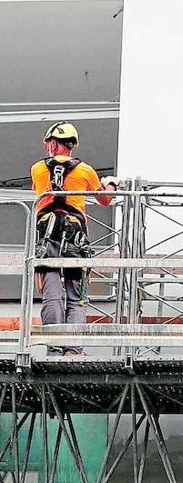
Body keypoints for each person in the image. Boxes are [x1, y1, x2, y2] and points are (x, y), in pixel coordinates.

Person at [30, 122, 117, 356]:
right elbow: (105, 199)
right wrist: (110, 183)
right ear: (71, 145)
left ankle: (54, 347)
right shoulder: (85, 171)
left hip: (47, 237)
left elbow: (37, 191)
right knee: (75, 296)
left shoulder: (37, 169)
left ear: (54, 143)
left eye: (49, 143)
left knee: (51, 293)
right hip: (75, 238)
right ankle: (73, 348)